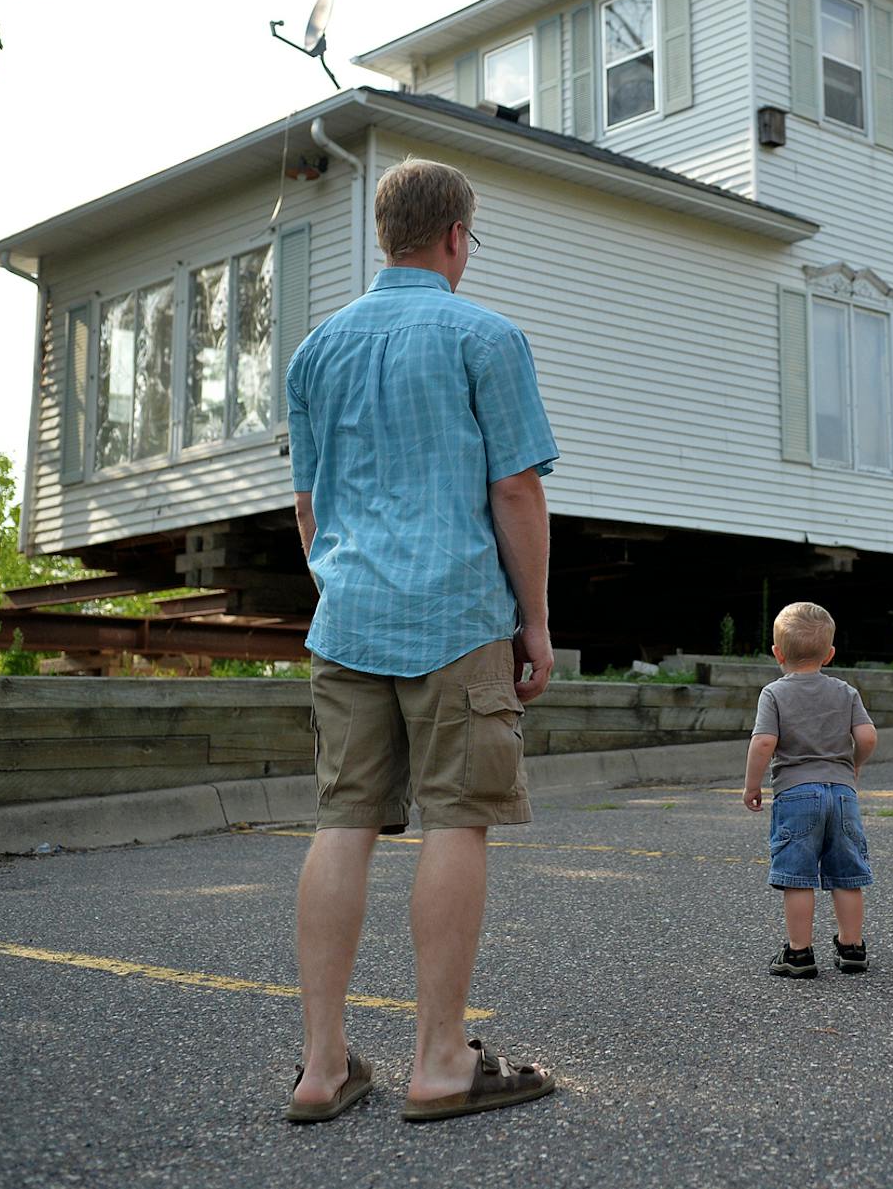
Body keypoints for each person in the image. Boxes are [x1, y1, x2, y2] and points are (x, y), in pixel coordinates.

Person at [283, 157, 560, 1124]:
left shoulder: (316, 351)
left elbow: (309, 506)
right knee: (455, 817)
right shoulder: (485, 335)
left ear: (382, 235)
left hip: (349, 614)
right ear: (455, 237)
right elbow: (516, 489)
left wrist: (346, 583)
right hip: (455, 613)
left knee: (343, 821)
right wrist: (533, 618)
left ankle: (323, 1067)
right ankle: (440, 1057)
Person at [742, 601, 879, 978]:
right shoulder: (846, 692)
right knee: (848, 873)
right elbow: (867, 735)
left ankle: (799, 954)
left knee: (796, 875)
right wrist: (854, 765)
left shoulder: (773, 693)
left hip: (796, 794)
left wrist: (753, 784)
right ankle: (852, 948)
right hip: (842, 793)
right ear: (830, 654)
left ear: (777, 653)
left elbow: (764, 743)